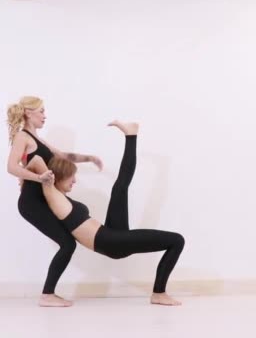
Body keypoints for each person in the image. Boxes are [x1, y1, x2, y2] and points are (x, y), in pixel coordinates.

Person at [27, 120, 185, 306]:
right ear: (57, 177)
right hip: (111, 242)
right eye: (71, 177)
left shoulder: (59, 195)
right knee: (177, 240)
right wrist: (36, 176)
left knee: (120, 187)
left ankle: (131, 135)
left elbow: (41, 162)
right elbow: (36, 160)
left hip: (110, 233)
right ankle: (159, 293)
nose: (75, 181)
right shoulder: (52, 192)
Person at [6, 96, 103, 307]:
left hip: (44, 200)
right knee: (67, 243)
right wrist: (38, 177)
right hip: (31, 203)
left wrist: (90, 158)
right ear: (28, 113)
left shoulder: (37, 139)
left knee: (68, 243)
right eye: (41, 111)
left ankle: (48, 294)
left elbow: (62, 155)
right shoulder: (22, 137)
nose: (44, 115)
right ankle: (47, 295)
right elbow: (12, 167)